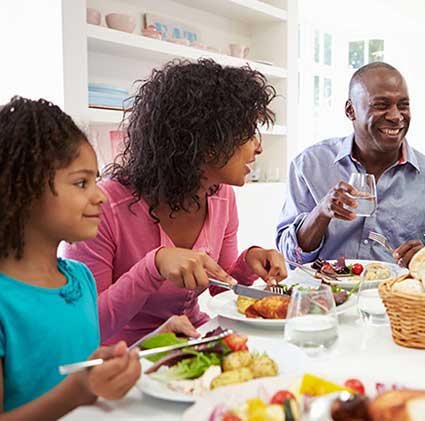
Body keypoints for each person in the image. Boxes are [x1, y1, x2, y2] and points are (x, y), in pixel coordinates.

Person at [64, 59, 287, 346]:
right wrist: (151, 268)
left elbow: (221, 287)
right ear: (206, 144)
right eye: (246, 134)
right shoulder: (104, 207)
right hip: (124, 358)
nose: (258, 147)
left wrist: (248, 262)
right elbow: (84, 328)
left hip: (193, 339)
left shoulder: (222, 196)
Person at [0, 96, 142, 418]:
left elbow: (85, 366)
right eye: (81, 183)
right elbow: (80, 386)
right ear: (24, 191)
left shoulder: (81, 278)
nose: (101, 195)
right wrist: (79, 391)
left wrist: (144, 348)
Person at [276, 62, 425, 266]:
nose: (396, 116)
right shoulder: (309, 165)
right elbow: (291, 258)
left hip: (395, 296)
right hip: (323, 295)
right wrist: (321, 213)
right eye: (381, 105)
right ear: (351, 110)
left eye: (403, 105)